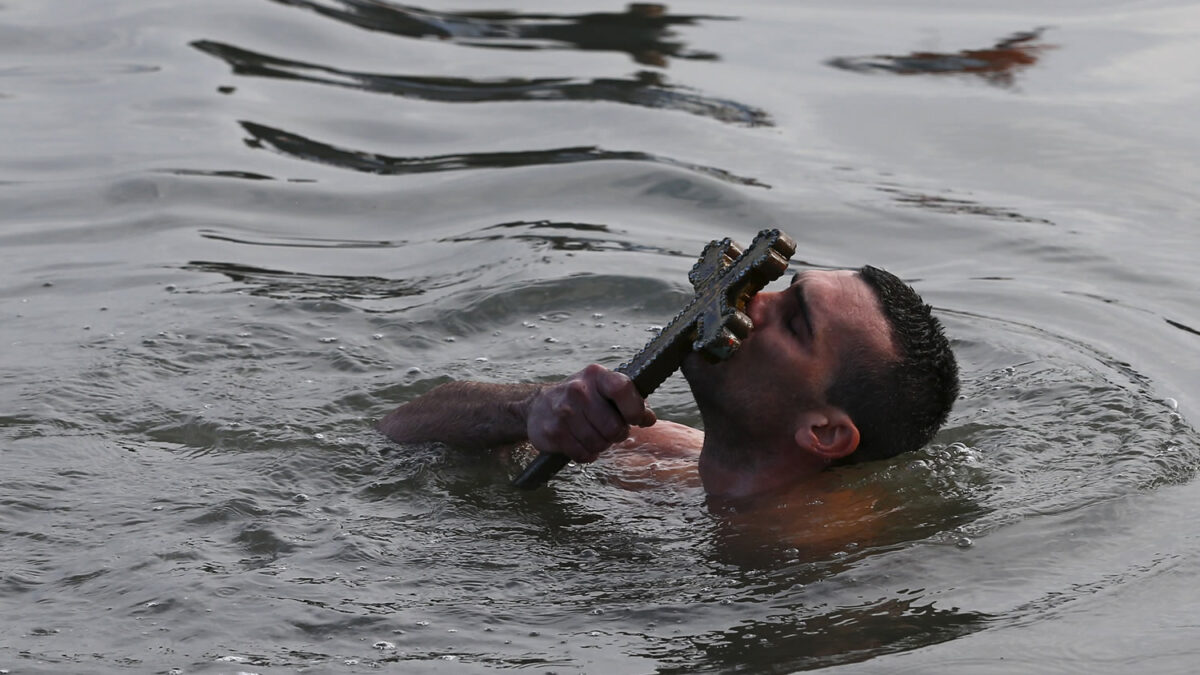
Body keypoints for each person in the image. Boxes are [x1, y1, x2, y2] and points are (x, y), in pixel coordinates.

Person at [377, 264, 959, 500]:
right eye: (778, 287)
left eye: (794, 320)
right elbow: (395, 429)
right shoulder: (659, 454)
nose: (749, 299)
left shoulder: (820, 568)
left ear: (826, 434)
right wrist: (526, 410)